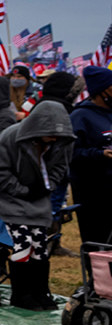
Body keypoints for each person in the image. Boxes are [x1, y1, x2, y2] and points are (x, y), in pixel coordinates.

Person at [0, 101, 74, 309]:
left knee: (40, 247)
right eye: (50, 133)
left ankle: (40, 292)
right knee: (22, 244)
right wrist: (24, 190)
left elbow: (61, 167)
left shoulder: (61, 143)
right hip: (11, 199)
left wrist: (48, 186)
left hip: (39, 199)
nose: (54, 138)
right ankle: (21, 294)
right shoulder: (9, 138)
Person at [71, 67, 112, 251]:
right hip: (93, 192)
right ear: (102, 91)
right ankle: (98, 278)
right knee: (99, 242)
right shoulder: (80, 117)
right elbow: (70, 153)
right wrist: (99, 154)